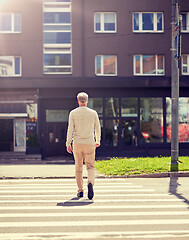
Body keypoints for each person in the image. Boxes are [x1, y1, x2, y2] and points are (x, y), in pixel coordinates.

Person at [66, 92, 101, 200]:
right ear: (87, 101)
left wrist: (68, 143)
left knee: (78, 167)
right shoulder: (93, 113)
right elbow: (97, 128)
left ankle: (80, 190)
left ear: (78, 101)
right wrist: (98, 140)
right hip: (90, 142)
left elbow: (70, 129)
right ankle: (90, 183)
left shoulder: (73, 113)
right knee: (90, 166)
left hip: (77, 143)